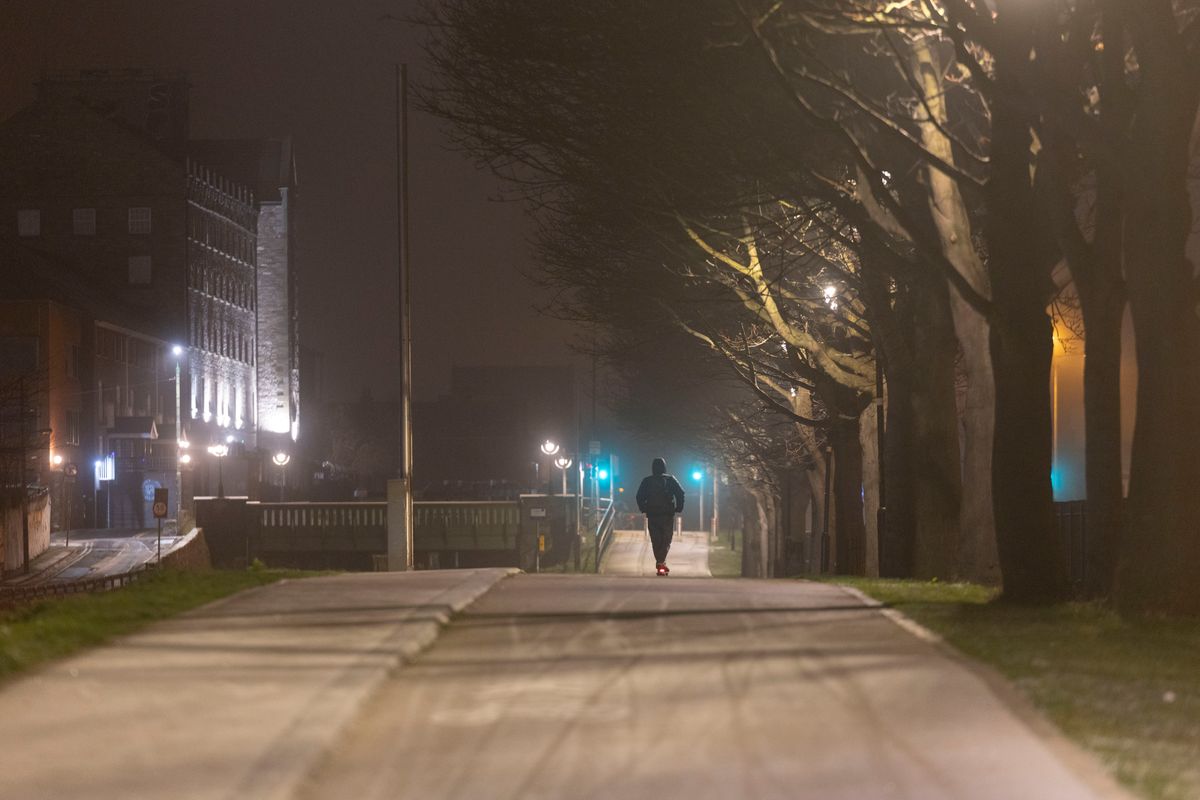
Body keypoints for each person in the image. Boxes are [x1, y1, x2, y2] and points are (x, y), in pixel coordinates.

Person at [635, 457, 685, 576]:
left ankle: (660, 562)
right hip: (667, 514)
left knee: (656, 539)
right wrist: (679, 507)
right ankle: (661, 562)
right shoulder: (670, 479)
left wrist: (644, 508)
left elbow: (639, 496)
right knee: (666, 539)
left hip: (652, 514)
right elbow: (680, 493)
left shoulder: (646, 481)